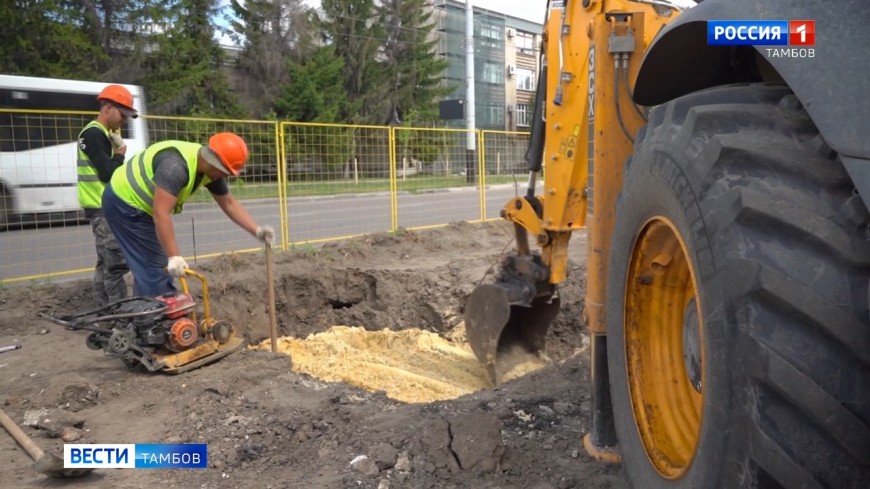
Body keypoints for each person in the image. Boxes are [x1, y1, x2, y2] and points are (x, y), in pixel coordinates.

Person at [101, 132, 274, 297]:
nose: (226, 176)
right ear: (214, 161)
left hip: (142, 207)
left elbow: (229, 203)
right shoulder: (175, 168)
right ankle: (149, 321)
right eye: (226, 171)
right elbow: (161, 213)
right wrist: (174, 256)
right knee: (155, 268)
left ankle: (147, 314)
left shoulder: (208, 170)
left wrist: (257, 230)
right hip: (124, 203)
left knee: (152, 267)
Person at [78, 84, 137, 306]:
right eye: (123, 114)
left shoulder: (99, 133)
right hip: (102, 206)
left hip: (99, 205)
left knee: (104, 263)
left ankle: (103, 311)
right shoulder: (94, 134)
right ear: (108, 108)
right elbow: (107, 173)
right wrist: (120, 154)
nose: (125, 119)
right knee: (115, 266)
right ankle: (120, 315)